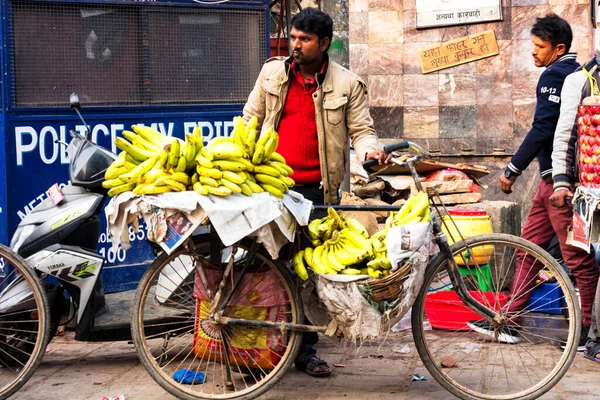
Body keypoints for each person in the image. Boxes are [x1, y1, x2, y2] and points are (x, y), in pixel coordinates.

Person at [243, 8, 389, 377]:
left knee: (307, 272)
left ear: (324, 44)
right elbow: (250, 120)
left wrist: (371, 150)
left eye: (304, 40)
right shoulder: (271, 74)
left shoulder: (346, 84)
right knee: (264, 265)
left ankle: (304, 349)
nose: (296, 45)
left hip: (317, 192)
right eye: (293, 38)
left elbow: (362, 131)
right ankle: (259, 347)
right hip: (271, 187)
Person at [468, 14, 599, 351]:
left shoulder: (558, 75)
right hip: (550, 181)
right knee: (529, 248)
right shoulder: (578, 74)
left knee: (576, 258)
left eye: (539, 47)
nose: (533, 53)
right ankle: (509, 319)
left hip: (560, 184)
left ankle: (586, 329)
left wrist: (513, 169)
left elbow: (545, 130)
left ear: (559, 48)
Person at [550, 49, 600, 362]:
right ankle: (594, 339)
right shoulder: (579, 81)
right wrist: (560, 181)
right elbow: (564, 137)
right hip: (592, 195)